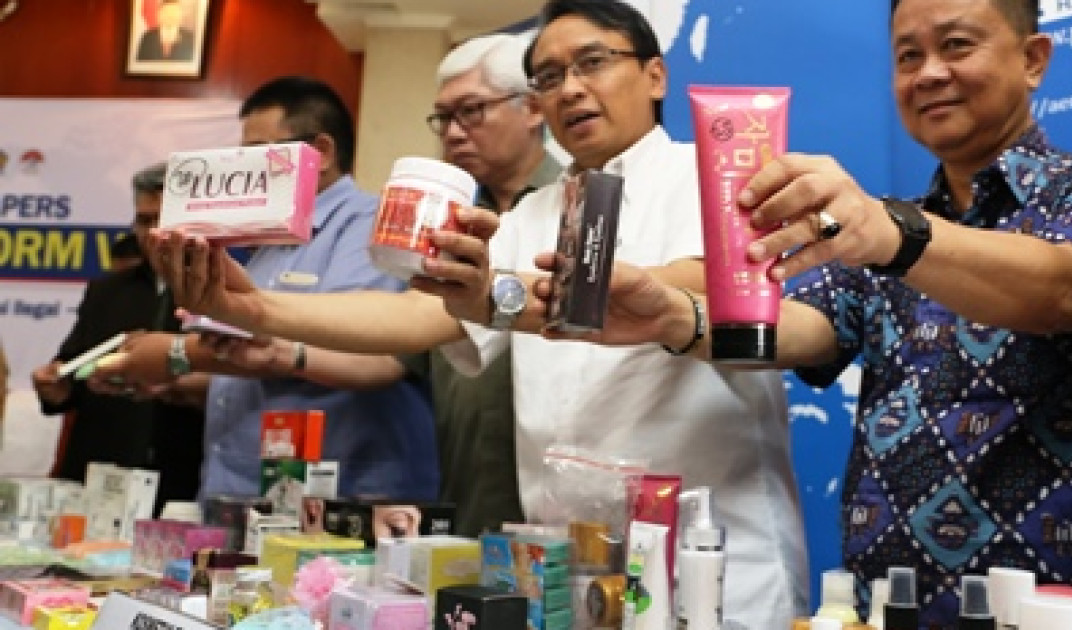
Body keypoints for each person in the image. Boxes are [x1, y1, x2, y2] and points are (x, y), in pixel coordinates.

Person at [136, 2, 809, 625]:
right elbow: (421, 318)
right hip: (566, 566)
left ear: (655, 74)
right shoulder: (535, 214)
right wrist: (252, 307)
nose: (571, 89)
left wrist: (499, 294)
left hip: (711, 555)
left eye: (593, 62)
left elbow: (701, 280)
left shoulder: (715, 176)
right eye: (549, 77)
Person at [532, 0, 1072, 626]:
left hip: (1056, 610)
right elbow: (800, 327)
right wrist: (674, 318)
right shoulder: (882, 230)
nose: (929, 73)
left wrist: (897, 237)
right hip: (885, 609)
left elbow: (1066, 291)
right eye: (908, 56)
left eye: (956, 45)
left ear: (1033, 59)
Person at [95, 76, 439, 503]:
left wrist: (178, 354)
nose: (251, 172)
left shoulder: (369, 226)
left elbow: (361, 354)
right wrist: (177, 381)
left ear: (321, 152)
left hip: (339, 496)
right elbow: (258, 359)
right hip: (242, 486)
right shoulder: (267, 241)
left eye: (261, 154)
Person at [411, 32, 563, 536]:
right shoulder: (445, 223)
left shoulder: (579, 207)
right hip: (462, 497)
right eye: (443, 118)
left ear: (533, 109)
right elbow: (403, 345)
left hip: (557, 506)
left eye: (471, 111)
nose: (453, 133)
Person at [30, 163, 205, 515]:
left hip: (182, 480)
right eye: (143, 221)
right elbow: (74, 368)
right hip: (101, 477)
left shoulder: (221, 294)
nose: (152, 233)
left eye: (163, 221)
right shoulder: (107, 290)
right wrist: (55, 388)